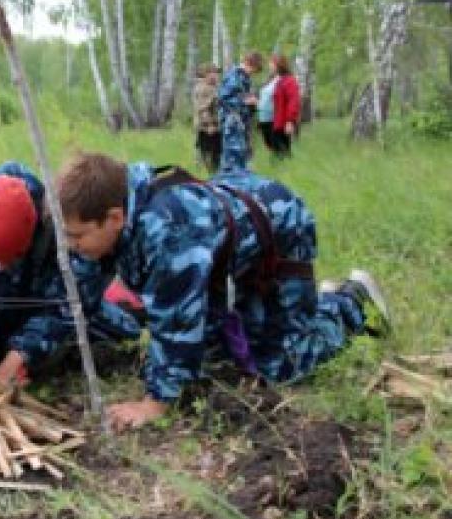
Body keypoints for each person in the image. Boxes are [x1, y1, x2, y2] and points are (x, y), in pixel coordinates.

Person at [53, 152, 391, 431]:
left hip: (278, 225)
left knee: (280, 365)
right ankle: (312, 307)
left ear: (113, 218)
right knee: (220, 358)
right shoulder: (108, 215)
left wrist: (154, 403)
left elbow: (177, 324)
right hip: (219, 247)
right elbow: (75, 293)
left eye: (76, 236)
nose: (71, 245)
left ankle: (349, 304)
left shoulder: (168, 233)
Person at [0, 162, 140, 386]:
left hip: (41, 292)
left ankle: (120, 301)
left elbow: (66, 307)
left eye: (10, 258)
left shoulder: (62, 224)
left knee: (122, 331)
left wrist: (18, 356)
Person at [218, 51, 265, 172]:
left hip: (242, 121)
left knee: (243, 153)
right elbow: (223, 98)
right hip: (233, 121)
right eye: (254, 69)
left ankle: (241, 181)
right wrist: (245, 101)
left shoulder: (244, 77)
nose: (253, 73)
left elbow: (241, 95)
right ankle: (228, 182)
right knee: (233, 154)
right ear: (249, 63)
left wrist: (252, 101)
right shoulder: (234, 76)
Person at [192, 63, 223, 173]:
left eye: (217, 73)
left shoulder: (214, 87)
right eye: (214, 73)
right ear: (207, 74)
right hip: (207, 128)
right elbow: (203, 109)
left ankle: (214, 173)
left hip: (216, 125)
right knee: (208, 153)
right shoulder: (203, 88)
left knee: (216, 153)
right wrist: (210, 125)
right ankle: (210, 175)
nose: (217, 75)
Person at [271, 54, 301, 159]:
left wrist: (290, 121)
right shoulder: (280, 81)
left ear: (279, 65)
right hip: (277, 123)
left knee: (284, 153)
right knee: (277, 154)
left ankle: (288, 173)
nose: (270, 66)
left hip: (284, 124)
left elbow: (294, 102)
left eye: (272, 64)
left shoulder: (290, 81)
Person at [256, 69, 278, 154]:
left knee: (272, 143)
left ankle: (276, 159)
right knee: (268, 143)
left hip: (271, 118)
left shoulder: (275, 87)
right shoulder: (265, 88)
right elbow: (262, 103)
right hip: (264, 118)